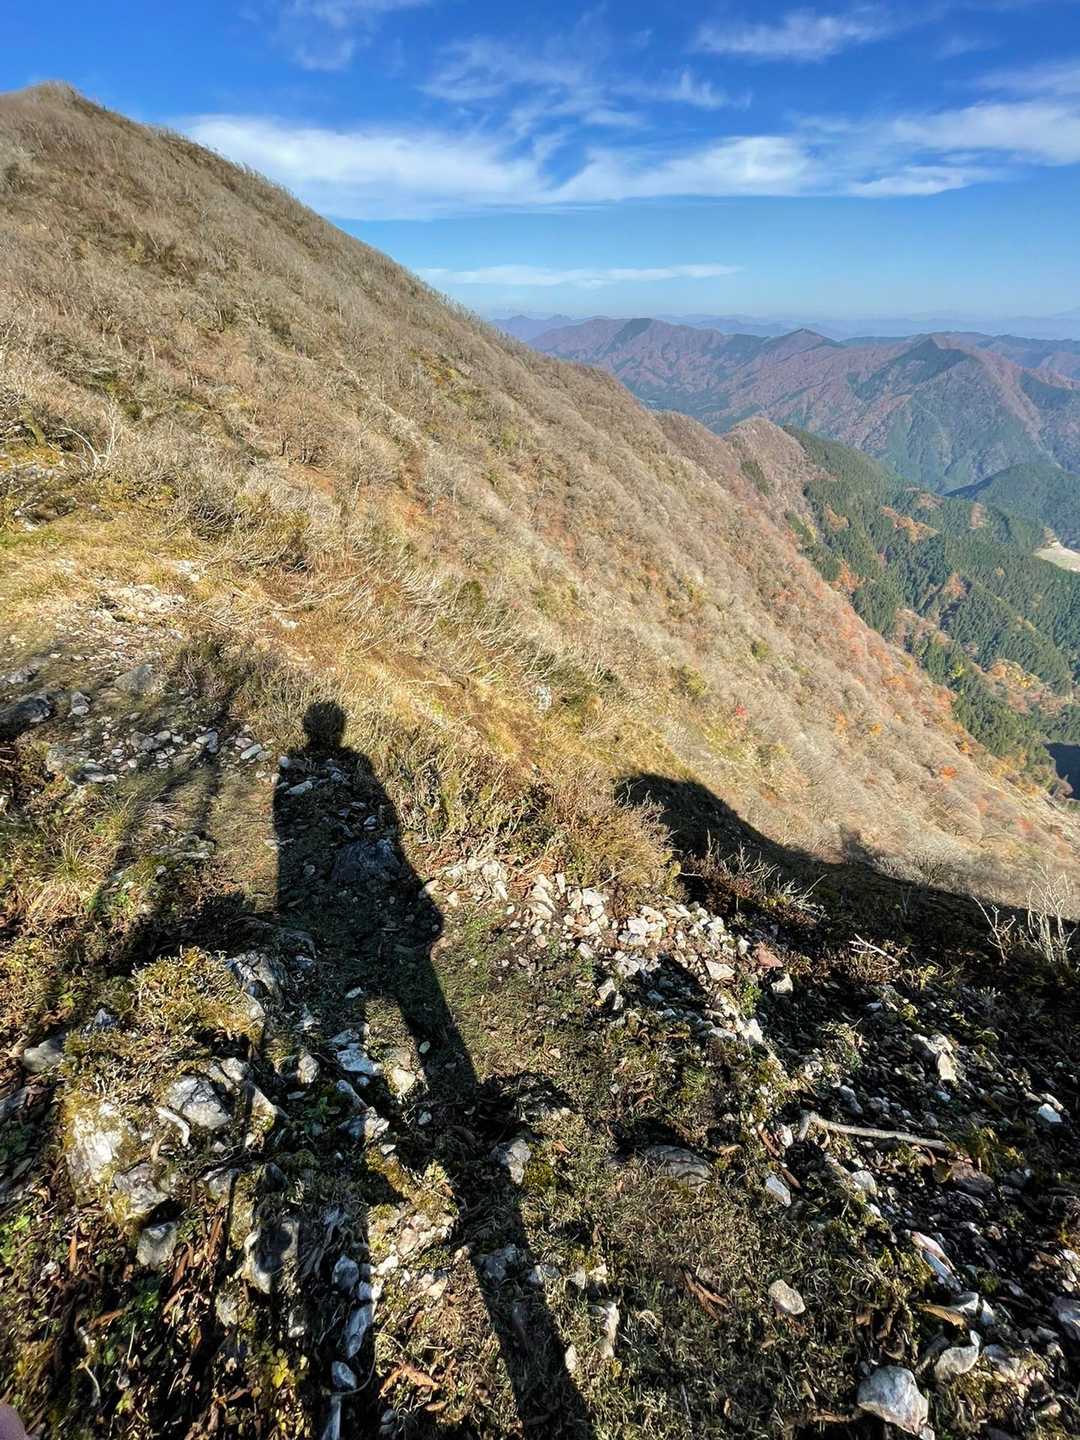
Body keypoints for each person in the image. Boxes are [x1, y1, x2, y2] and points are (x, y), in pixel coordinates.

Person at [272, 702, 592, 1436]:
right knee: (414, 1022)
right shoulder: (348, 773)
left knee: (391, 1024)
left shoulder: (323, 775)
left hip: (345, 922)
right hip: (360, 927)